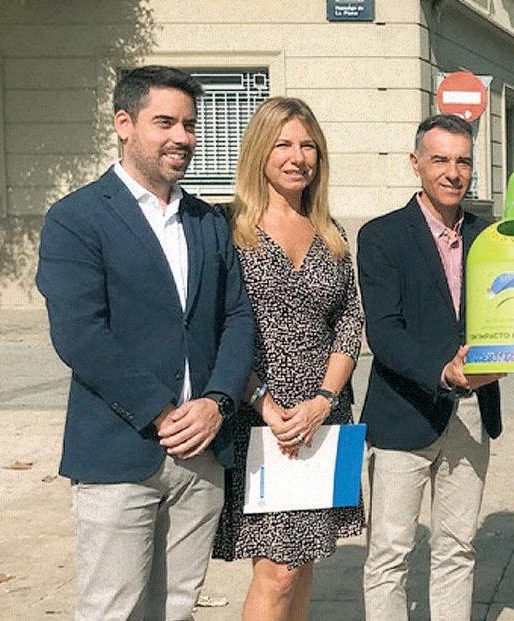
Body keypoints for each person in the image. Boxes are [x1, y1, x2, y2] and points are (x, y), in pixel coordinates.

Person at [36, 65, 255, 620]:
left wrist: (217, 402)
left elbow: (237, 318)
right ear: (124, 124)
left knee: (177, 607)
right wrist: (160, 411)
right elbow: (80, 334)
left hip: (201, 452)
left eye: (189, 124)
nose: (182, 137)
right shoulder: (76, 218)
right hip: (120, 450)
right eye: (165, 122)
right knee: (114, 608)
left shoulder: (207, 221)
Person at [209, 97, 364, 620]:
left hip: (324, 416)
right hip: (259, 418)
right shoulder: (228, 228)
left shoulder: (331, 231)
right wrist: (263, 402)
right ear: (259, 151)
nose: (298, 157)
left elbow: (349, 321)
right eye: (283, 144)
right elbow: (215, 327)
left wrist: (323, 400)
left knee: (304, 562)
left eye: (308, 146)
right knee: (277, 571)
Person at [357, 114, 504, 621]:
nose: (453, 172)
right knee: (389, 554)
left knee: (457, 548)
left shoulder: (490, 237)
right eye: (440, 159)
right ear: (415, 163)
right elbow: (384, 333)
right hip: (404, 414)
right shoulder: (382, 236)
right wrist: (444, 371)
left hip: (472, 414)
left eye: (463, 161)